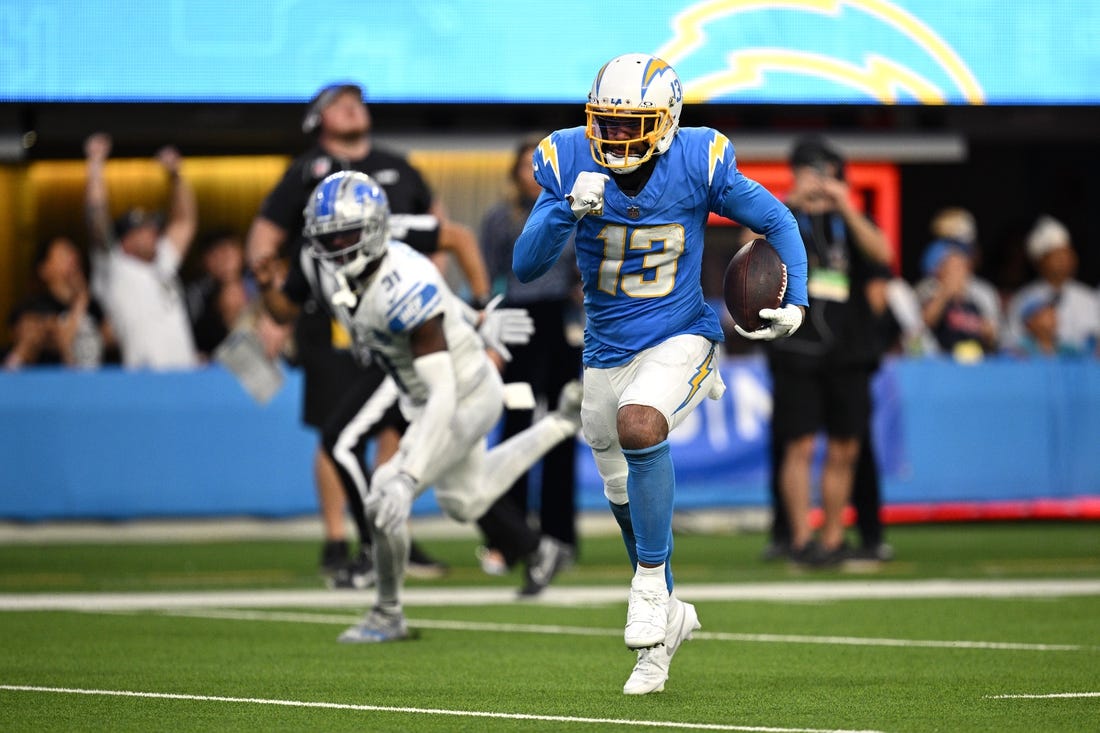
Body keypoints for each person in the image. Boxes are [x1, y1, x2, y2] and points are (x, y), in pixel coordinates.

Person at [513, 53, 808, 696]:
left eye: (632, 124)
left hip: (682, 335)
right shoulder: (569, 159)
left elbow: (778, 220)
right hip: (604, 351)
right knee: (624, 500)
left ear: (667, 120)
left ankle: (648, 585)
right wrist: (566, 208)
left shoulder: (697, 160)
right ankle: (664, 626)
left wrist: (799, 298)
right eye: (606, 124)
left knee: (641, 424)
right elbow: (526, 264)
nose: (615, 137)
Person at [267, 171, 581, 641]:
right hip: (433, 391)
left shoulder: (403, 286)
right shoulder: (371, 265)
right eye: (327, 239)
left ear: (372, 231)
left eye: (347, 236)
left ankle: (387, 613)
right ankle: (560, 423)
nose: (337, 250)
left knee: (384, 495)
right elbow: (433, 303)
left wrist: (407, 476)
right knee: (465, 500)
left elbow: (443, 394)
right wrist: (476, 318)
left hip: (463, 394)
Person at [246, 82, 491, 586]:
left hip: (397, 319)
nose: (352, 105)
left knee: (389, 430)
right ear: (318, 120)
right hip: (332, 323)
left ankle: (383, 531)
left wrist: (437, 293)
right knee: (335, 432)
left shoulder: (398, 166)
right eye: (337, 102)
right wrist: (269, 301)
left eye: (356, 99)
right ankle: (340, 537)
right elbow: (266, 242)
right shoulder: (303, 172)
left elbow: (443, 230)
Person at [762, 135, 893, 570]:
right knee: (797, 445)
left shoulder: (851, 220)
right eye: (811, 171)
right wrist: (790, 203)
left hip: (847, 349)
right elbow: (750, 247)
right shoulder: (782, 216)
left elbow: (883, 255)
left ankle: (833, 536)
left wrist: (847, 207)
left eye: (827, 172)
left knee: (845, 447)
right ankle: (802, 538)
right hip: (795, 345)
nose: (820, 180)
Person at [475, 134, 584, 575]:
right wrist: (490, 337)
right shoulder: (500, 218)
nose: (535, 175)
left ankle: (559, 538)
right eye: (527, 166)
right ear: (514, 173)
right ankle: (509, 539)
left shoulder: (570, 212)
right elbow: (490, 278)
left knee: (561, 428)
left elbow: (580, 274)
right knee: (515, 430)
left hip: (559, 324)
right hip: (517, 325)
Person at [84, 132, 199, 370]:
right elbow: (96, 215)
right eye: (143, 230)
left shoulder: (163, 261)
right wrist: (95, 165)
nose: (153, 233)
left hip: (185, 376)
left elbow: (185, 222)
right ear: (125, 239)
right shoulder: (114, 265)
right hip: (144, 380)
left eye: (152, 227)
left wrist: (176, 175)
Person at [3, 235, 111, 370]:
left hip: (93, 383)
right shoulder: (31, 308)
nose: (72, 258)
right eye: (63, 254)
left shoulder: (95, 307)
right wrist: (80, 302)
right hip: (48, 384)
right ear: (44, 269)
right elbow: (63, 344)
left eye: (73, 252)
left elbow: (111, 340)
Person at [1005, 215, 1099, 356]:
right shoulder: (1024, 298)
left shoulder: (1088, 297)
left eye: (1067, 254)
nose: (1064, 260)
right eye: (1057, 255)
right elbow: (1012, 345)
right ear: (1040, 261)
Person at [915, 238, 1002, 359]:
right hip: (941, 361)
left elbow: (993, 337)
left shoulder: (976, 300)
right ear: (940, 271)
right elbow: (923, 324)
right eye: (953, 268)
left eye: (962, 267)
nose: (959, 273)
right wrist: (945, 293)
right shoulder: (929, 292)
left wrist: (988, 332)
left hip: (975, 361)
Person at [185, 229, 255, 360]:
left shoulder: (261, 289)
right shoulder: (195, 298)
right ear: (203, 262)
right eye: (214, 253)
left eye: (229, 248)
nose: (224, 257)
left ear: (242, 252)